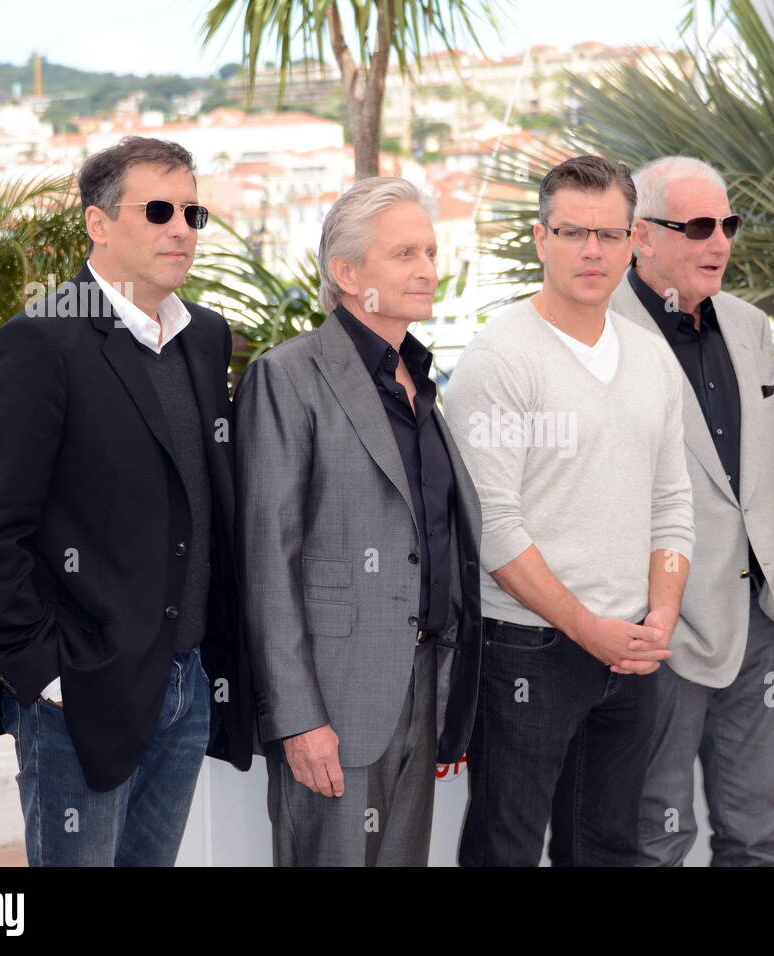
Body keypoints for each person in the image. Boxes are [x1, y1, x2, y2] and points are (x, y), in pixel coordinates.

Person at [0, 136, 254, 866]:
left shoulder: (204, 337)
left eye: (191, 211)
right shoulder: (40, 345)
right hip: (79, 690)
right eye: (157, 210)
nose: (180, 228)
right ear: (98, 224)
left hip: (184, 684)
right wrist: (49, 676)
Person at [444, 154, 695, 866]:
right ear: (540, 238)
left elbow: (672, 502)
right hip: (529, 647)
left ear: (633, 240)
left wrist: (660, 617)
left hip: (633, 649)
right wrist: (588, 628)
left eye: (610, 235)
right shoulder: (499, 359)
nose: (593, 250)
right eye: (573, 232)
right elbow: (493, 525)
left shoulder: (651, 360)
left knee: (607, 848)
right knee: (506, 847)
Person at [235, 176, 482, 866]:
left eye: (431, 251)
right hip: (334, 702)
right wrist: (297, 717)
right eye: (404, 254)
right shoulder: (289, 377)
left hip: (424, 684)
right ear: (347, 273)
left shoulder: (424, 384)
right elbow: (267, 561)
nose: (429, 270)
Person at [608, 156, 774, 867]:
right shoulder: (600, 332)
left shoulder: (751, 326)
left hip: (762, 623)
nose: (719, 242)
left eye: (727, 224)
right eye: (697, 226)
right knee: (659, 833)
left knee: (755, 830)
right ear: (641, 235)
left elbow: (772, 472)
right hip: (659, 630)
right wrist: (633, 616)